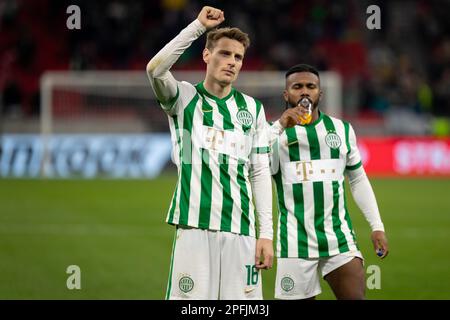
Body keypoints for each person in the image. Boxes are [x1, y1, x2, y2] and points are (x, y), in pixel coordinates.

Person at [146, 6, 273, 300]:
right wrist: (197, 27)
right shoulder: (184, 99)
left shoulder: (252, 110)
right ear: (207, 55)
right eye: (224, 53)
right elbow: (155, 69)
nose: (231, 62)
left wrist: (266, 233)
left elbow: (260, 171)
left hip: (242, 232)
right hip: (194, 229)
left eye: (238, 57)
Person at [268, 64, 389, 300]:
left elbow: (357, 178)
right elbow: (259, 168)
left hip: (339, 238)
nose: (304, 92)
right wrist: (279, 126)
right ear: (286, 94)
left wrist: (377, 226)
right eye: (297, 87)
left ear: (319, 94)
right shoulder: (274, 135)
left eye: (311, 86)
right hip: (295, 243)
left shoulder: (342, 130)